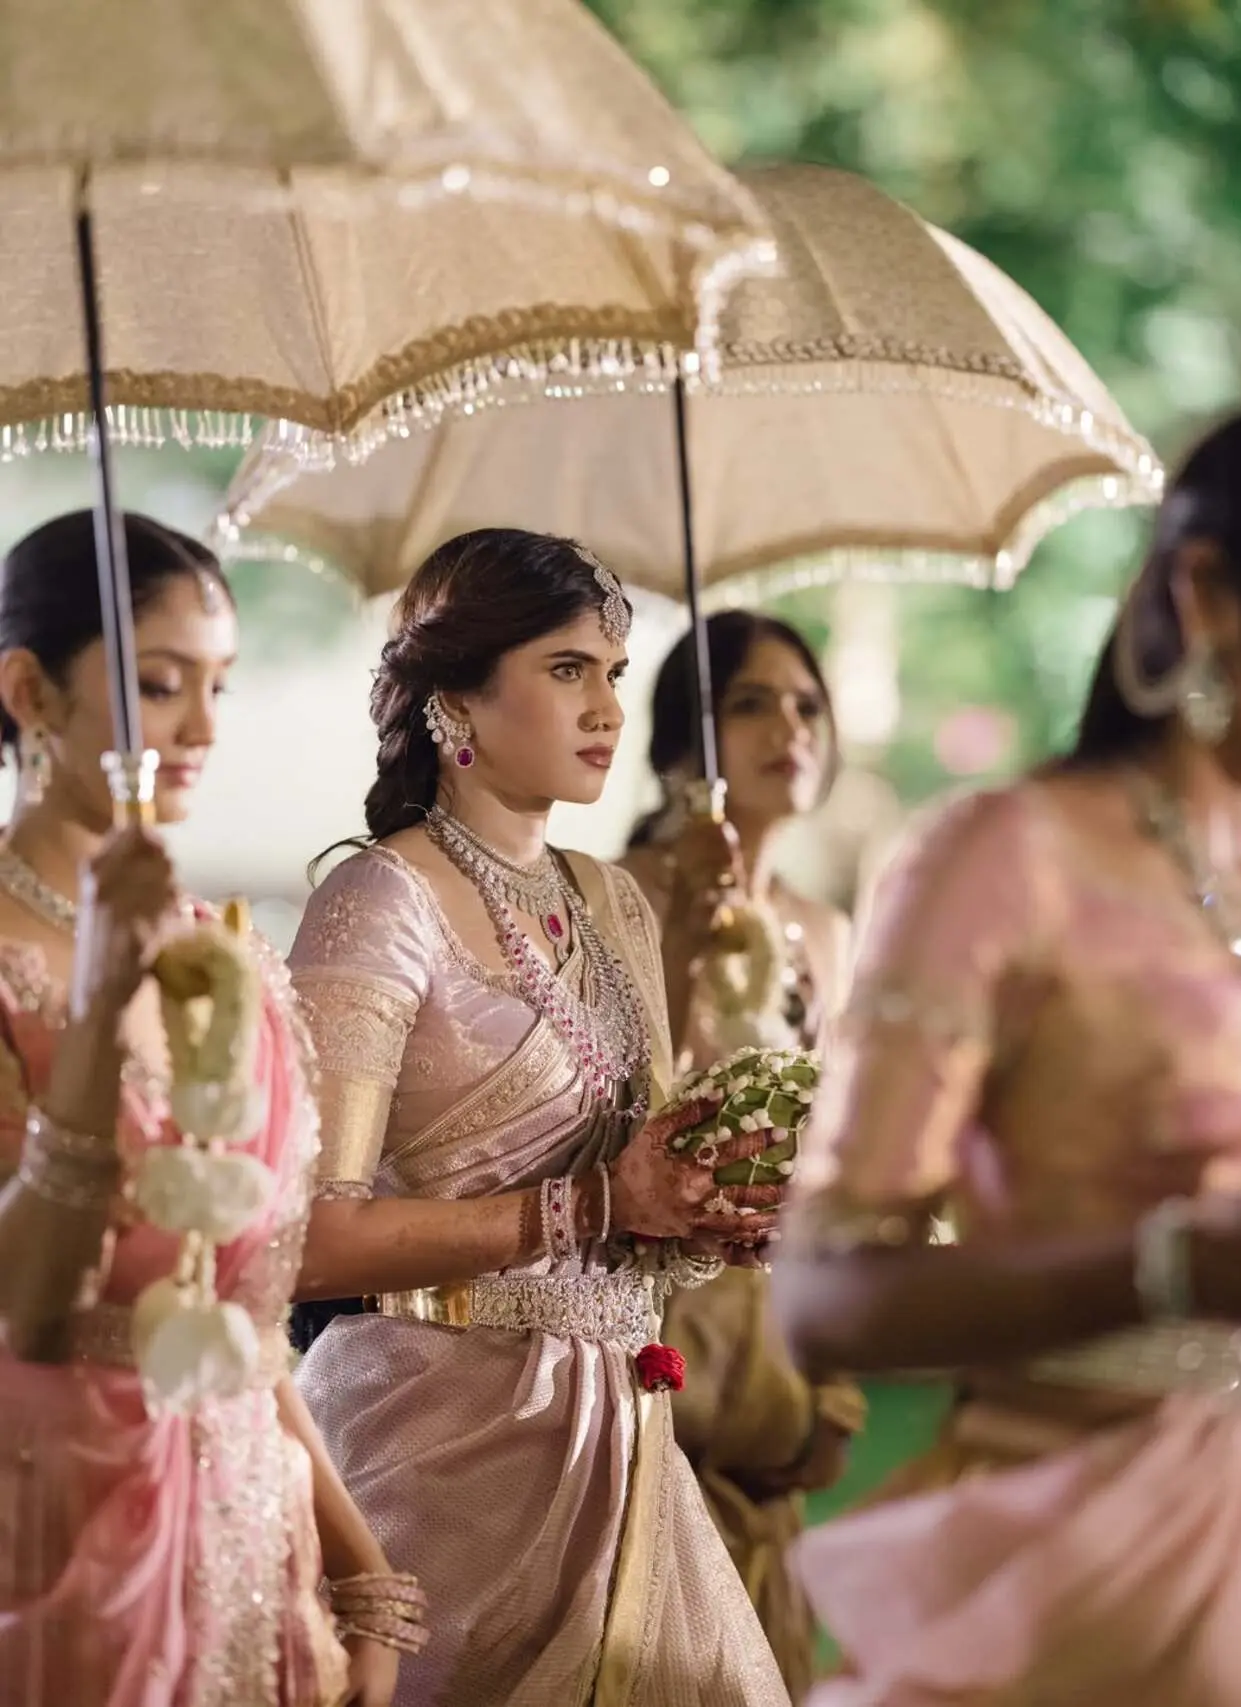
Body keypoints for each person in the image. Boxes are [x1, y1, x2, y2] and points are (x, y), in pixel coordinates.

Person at [773, 406, 1241, 1707]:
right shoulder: (1009, 858)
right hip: (1074, 1574)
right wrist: (1177, 1264)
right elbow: (822, 1299)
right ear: (1211, 590)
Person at [286, 529, 791, 1706]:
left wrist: (707, 1215)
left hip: (624, 1431)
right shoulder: (378, 901)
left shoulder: (612, 901)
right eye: (566, 670)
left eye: (613, 673)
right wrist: (597, 1204)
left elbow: (638, 1188)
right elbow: (307, 1238)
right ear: (455, 698)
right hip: (446, 1443)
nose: (605, 705)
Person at [0, 511, 418, 1707]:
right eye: (159, 685)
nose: (201, 730)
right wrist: (92, 1010)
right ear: (29, 688)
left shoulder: (223, 954)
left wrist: (358, 1567)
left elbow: (236, 1310)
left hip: (245, 1528)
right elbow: (29, 1304)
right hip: (57, 1519)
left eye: (219, 686)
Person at [621, 612, 864, 1700]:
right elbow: (625, 1100)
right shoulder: (616, 889)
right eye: (751, 703)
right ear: (683, 743)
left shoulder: (822, 927)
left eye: (806, 704)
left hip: (780, 1311)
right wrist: (685, 931)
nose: (789, 727)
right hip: (663, 1303)